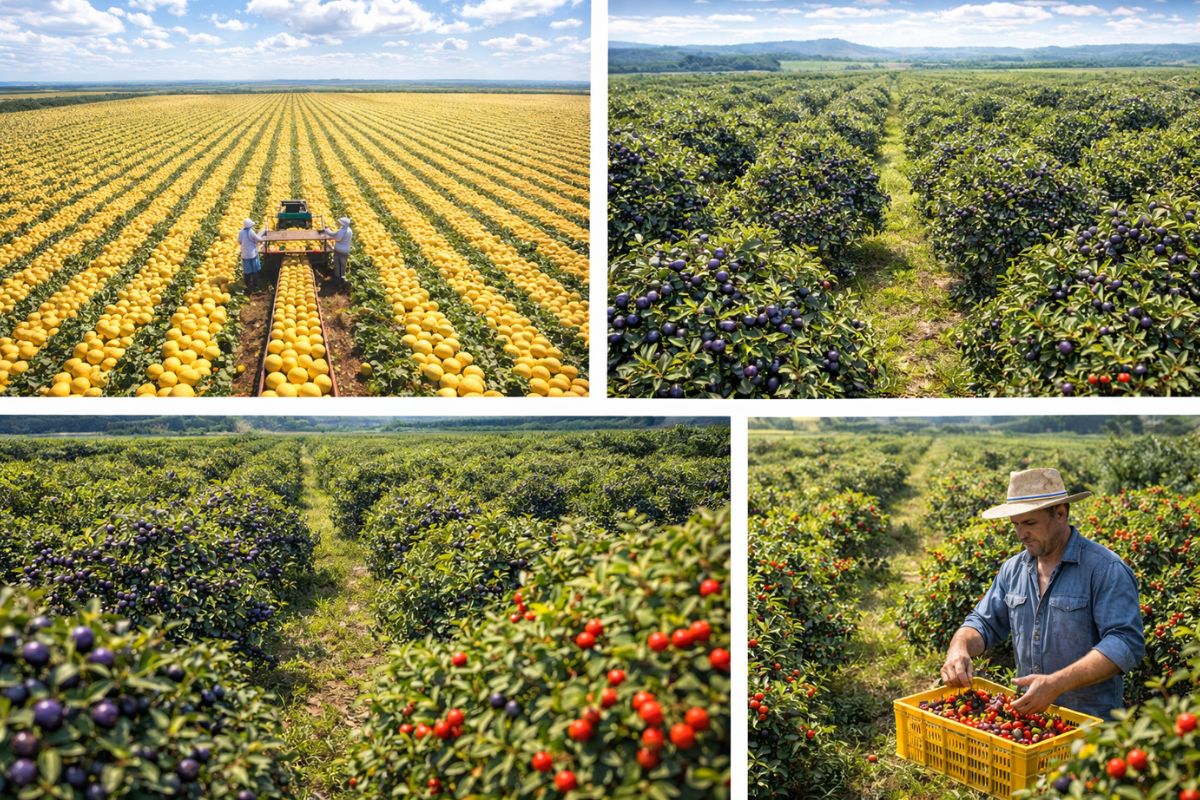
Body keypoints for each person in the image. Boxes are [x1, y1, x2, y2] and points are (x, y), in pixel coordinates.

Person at [940, 468, 1144, 720]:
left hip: (1091, 727)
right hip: (1032, 720)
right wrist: (959, 647)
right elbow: (983, 623)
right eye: (1015, 524)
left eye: (1030, 523)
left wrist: (1056, 683)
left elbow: (1124, 643)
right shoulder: (1013, 570)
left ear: (1060, 513)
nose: (1020, 534)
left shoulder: (1104, 569)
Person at [320, 216, 352, 286]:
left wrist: (327, 232)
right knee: (343, 264)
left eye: (340, 223)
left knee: (337, 264)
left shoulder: (342, 230)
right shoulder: (349, 230)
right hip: (346, 250)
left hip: (339, 250)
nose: (339, 224)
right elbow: (335, 234)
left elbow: (337, 238)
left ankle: (337, 278)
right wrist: (328, 231)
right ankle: (342, 277)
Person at [239, 219, 268, 291]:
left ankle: (247, 284)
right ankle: (256, 284)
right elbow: (258, 238)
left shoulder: (241, 232)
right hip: (252, 254)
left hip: (244, 254)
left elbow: (239, 241)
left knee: (247, 269)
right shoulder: (250, 232)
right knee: (255, 268)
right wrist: (263, 238)